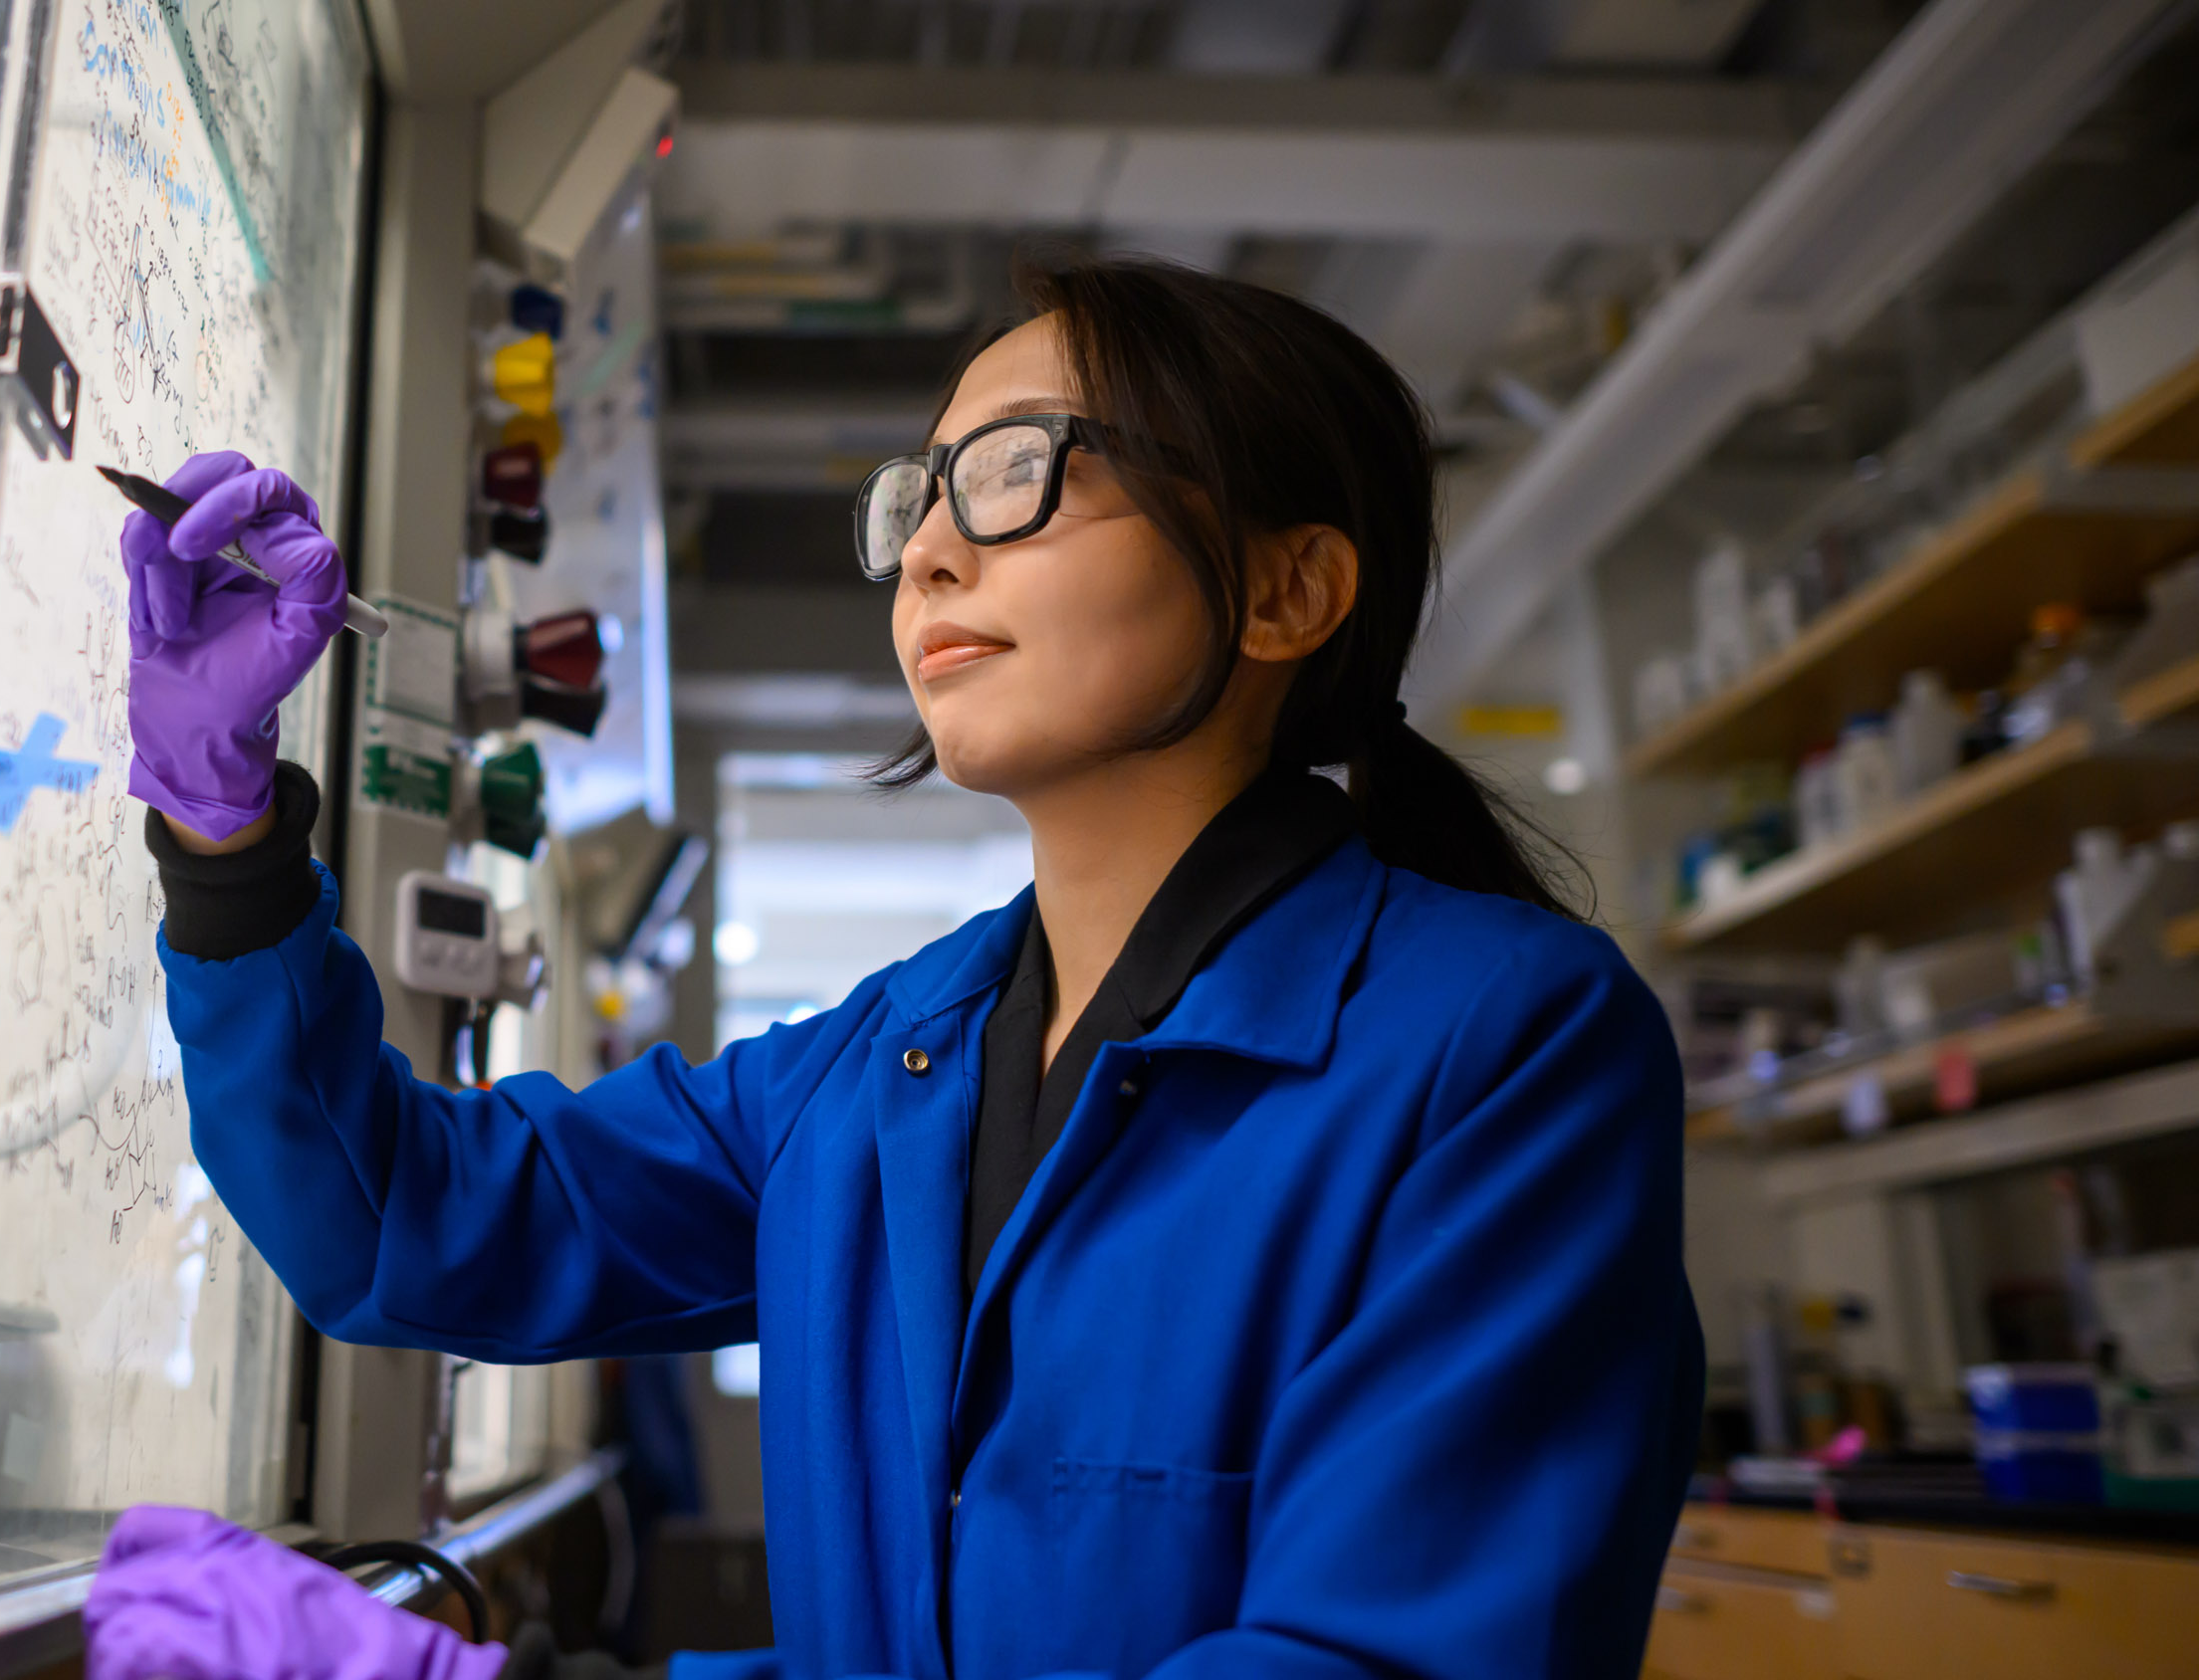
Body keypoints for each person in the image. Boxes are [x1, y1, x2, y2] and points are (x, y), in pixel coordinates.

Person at [88, 254, 1700, 1680]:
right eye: (920, 495)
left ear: (1288, 589)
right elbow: (405, 1221)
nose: (931, 551)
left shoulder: (1500, 1050)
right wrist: (225, 837)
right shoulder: (873, 1073)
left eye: (1017, 473)